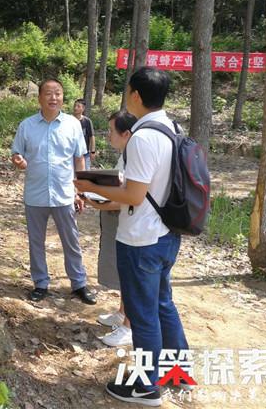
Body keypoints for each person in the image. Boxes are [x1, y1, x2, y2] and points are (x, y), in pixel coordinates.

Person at [74, 67, 189, 407]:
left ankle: (146, 386)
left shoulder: (143, 136)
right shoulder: (172, 127)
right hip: (167, 234)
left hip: (142, 239)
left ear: (136, 95)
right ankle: (177, 372)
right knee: (162, 304)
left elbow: (136, 195)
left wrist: (90, 186)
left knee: (142, 314)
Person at [11, 79, 95, 305]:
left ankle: (79, 284)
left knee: (71, 241)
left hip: (64, 193)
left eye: (57, 93)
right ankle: (40, 283)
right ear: (39, 97)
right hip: (35, 194)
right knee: (35, 242)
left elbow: (79, 159)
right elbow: (17, 153)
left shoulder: (73, 125)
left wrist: (81, 192)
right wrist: (18, 161)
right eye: (48, 93)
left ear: (63, 97)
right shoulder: (26, 126)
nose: (53, 97)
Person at [83, 110, 137, 347]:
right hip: (121, 220)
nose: (107, 136)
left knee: (132, 275)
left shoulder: (137, 155)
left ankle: (129, 326)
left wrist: (98, 199)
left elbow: (132, 196)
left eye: (111, 131)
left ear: (125, 133)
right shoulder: (127, 153)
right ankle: (122, 312)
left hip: (134, 224)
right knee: (121, 269)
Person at [73, 98, 95, 170]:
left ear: (83, 108)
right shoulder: (70, 120)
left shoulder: (87, 121)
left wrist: (92, 151)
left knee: (85, 175)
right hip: (72, 154)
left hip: (85, 154)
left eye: (78, 106)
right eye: (75, 106)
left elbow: (92, 137)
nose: (75, 108)